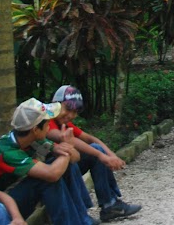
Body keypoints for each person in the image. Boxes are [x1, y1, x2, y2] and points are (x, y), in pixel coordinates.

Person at [0, 99, 95, 225]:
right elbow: (52, 174)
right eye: (47, 123)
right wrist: (67, 147)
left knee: (62, 164)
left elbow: (75, 157)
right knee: (46, 179)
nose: (49, 127)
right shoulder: (7, 153)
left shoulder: (31, 140)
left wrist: (66, 149)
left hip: (13, 193)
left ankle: (83, 219)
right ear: (35, 129)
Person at [47, 86, 141, 222]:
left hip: (62, 168)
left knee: (96, 149)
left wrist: (111, 155)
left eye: (75, 112)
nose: (71, 115)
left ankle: (110, 204)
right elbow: (67, 139)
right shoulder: (46, 121)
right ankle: (83, 214)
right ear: (55, 104)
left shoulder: (64, 123)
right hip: (49, 170)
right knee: (92, 153)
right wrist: (101, 155)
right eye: (67, 109)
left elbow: (90, 138)